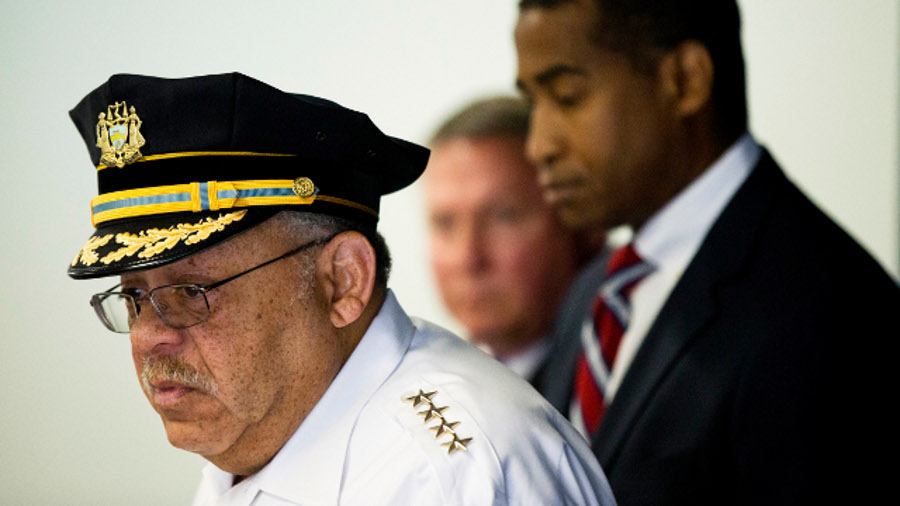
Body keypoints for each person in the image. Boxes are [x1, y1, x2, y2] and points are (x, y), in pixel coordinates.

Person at [67, 72, 616, 506]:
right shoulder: (254, 439)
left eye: (191, 292)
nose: (150, 338)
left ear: (342, 282)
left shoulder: (456, 479)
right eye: (135, 298)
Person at [514, 1, 899, 504]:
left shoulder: (832, 308)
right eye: (531, 105)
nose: (538, 145)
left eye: (567, 97)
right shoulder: (593, 291)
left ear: (685, 80)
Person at [425, 96, 588, 384]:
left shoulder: (612, 373)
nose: (468, 258)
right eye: (445, 223)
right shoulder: (431, 385)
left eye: (504, 216)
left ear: (583, 225)